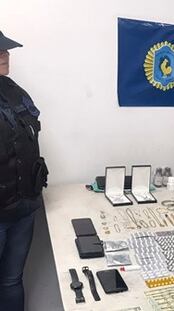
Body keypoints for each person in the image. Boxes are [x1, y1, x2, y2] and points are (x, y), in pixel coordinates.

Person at [0, 30, 48, 310]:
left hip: (24, 209)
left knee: (11, 281)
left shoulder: (14, 90)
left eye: (6, 50)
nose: (5, 55)